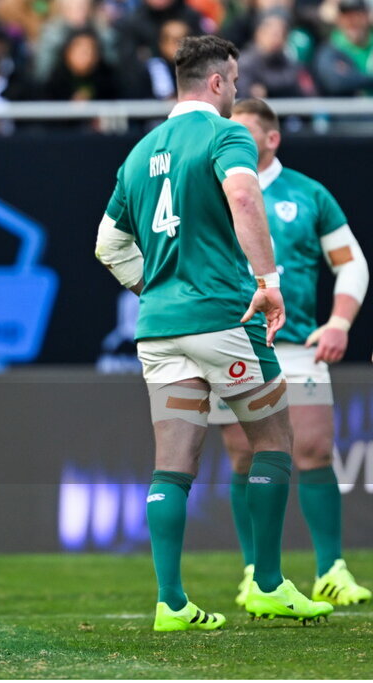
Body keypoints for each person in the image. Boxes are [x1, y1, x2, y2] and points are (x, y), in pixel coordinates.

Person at [94, 35, 333, 631]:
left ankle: (170, 602)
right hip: (226, 317)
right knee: (274, 441)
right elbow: (245, 196)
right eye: (235, 80)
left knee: (172, 466)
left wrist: (150, 287)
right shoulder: (228, 136)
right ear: (220, 82)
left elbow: (106, 244)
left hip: (159, 330)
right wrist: (269, 280)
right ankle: (270, 583)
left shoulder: (140, 151)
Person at [209, 98, 371, 608]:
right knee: (243, 457)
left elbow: (353, 265)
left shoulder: (308, 194)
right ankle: (257, 572)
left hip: (298, 346)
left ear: (271, 138)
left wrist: (339, 322)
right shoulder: (210, 190)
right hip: (234, 343)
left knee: (315, 449)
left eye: (242, 132)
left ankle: (331, 569)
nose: (229, 139)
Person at [313, 0, 373, 96]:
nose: (353, 22)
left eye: (358, 15)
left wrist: (351, 75)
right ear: (339, 20)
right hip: (348, 109)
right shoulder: (330, 49)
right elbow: (336, 83)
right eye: (347, 17)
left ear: (366, 17)